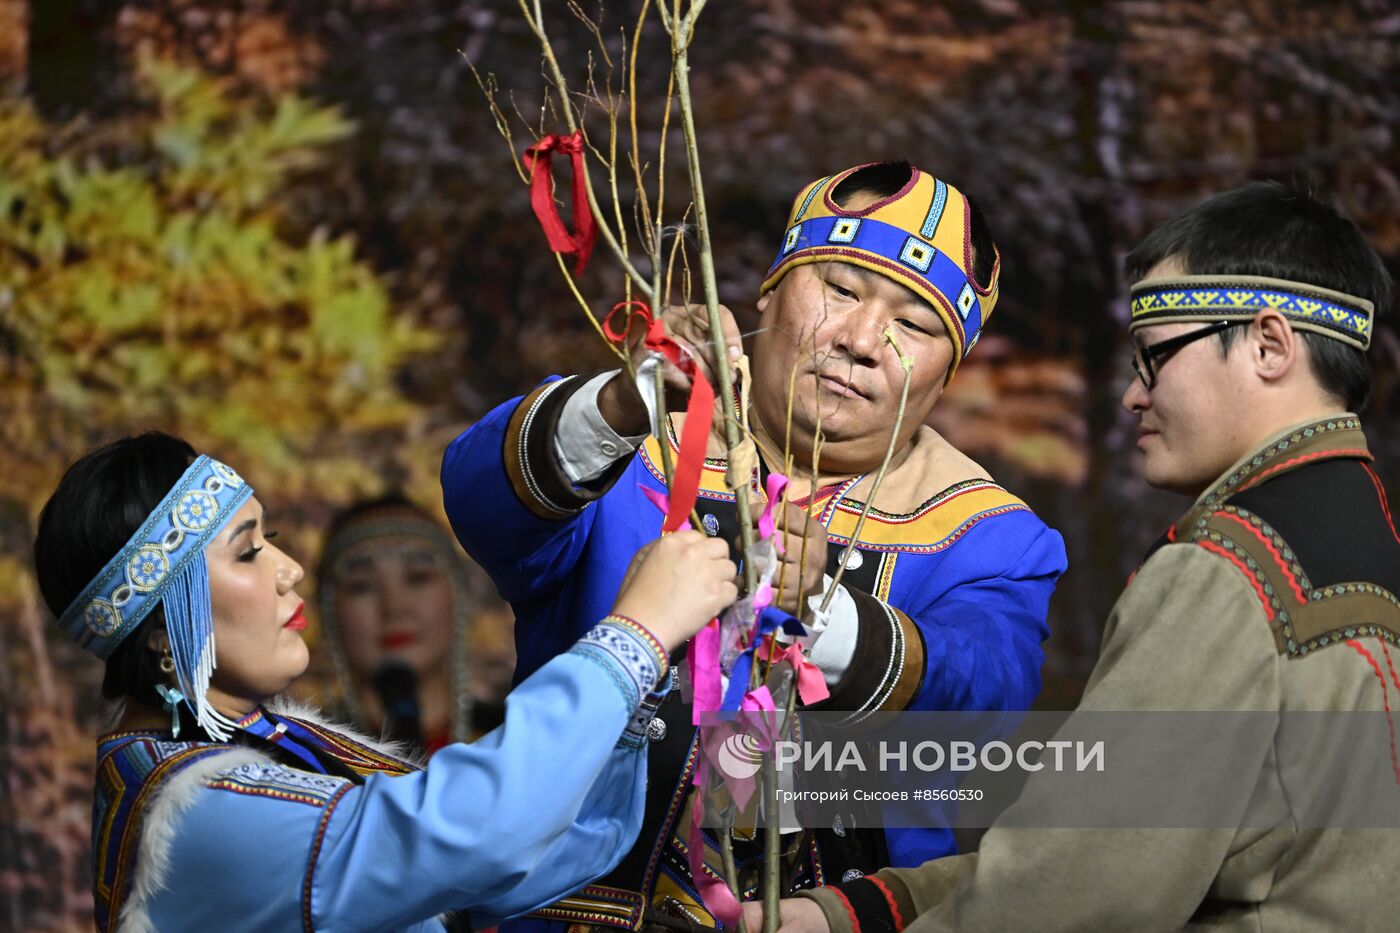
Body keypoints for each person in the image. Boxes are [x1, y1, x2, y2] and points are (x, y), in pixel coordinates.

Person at [744, 181, 1400, 932]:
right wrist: (862, 909)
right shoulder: (1364, 545)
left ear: (1270, 345)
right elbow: (1107, 849)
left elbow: (1075, 891)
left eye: (1154, 358)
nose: (1131, 396)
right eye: (838, 287)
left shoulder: (1231, 571)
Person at [442, 161, 1068, 929]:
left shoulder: (989, 535)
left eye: (914, 324)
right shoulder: (642, 444)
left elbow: (986, 709)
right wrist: (623, 399)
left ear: (948, 373)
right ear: (768, 292)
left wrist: (827, 615)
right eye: (840, 288)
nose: (862, 339)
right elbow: (481, 501)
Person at [32, 432, 737, 933]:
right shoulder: (194, 815)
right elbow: (473, 834)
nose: (288, 569)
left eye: (270, 537)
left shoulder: (258, 756)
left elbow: (528, 858)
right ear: (162, 628)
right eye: (248, 551)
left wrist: (642, 678)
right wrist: (632, 636)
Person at [316, 495, 513, 754]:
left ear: (458, 594)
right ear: (329, 610)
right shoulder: (303, 758)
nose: (394, 608)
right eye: (362, 586)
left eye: (418, 578)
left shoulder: (511, 742)